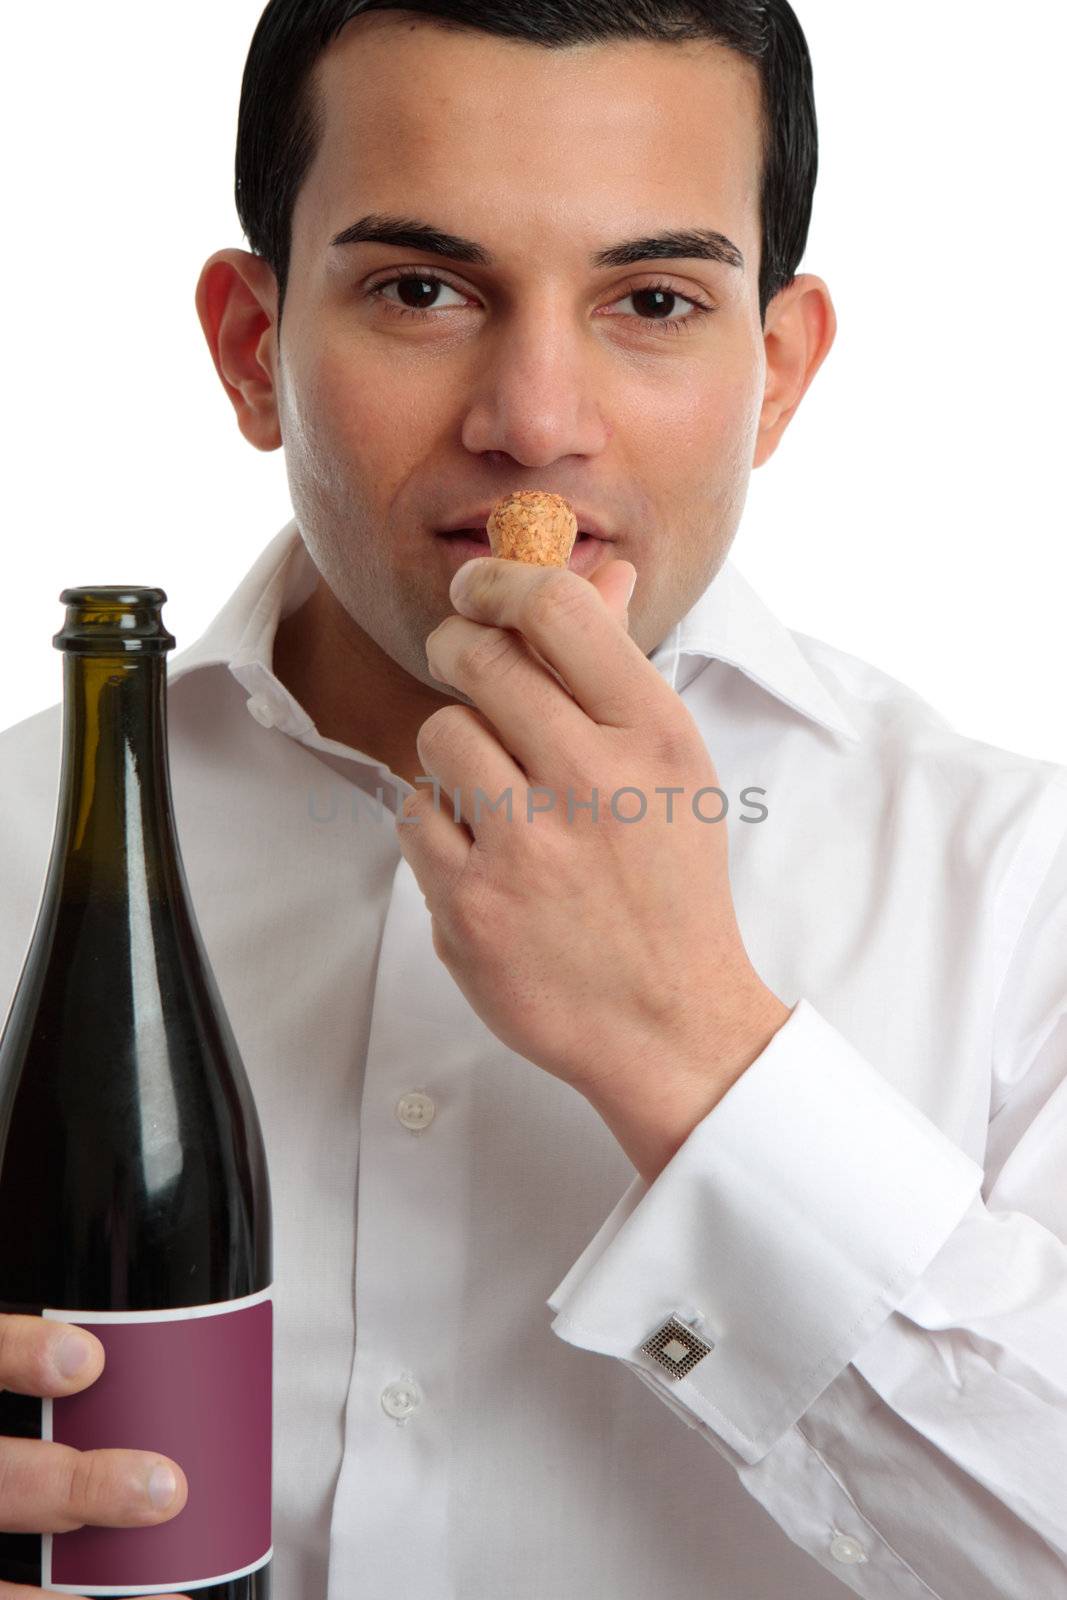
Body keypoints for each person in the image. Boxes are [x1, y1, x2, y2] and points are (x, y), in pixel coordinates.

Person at [1, 1, 1065, 1595]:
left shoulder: (1019, 888)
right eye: (422, 291)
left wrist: (686, 1042)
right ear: (251, 351)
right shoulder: (19, 840)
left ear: (775, 375)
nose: (537, 425)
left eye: (651, 298)